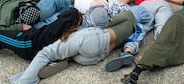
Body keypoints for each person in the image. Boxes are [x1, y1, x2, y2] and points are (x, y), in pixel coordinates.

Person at [10, 9, 138, 83]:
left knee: (45, 53)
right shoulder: (129, 24)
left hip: (90, 43)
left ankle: (24, 80)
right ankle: (61, 60)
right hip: (97, 56)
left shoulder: (81, 35)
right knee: (74, 54)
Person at [106, 0, 173, 72]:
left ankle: (128, 51)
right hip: (161, 4)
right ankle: (163, 50)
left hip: (144, 7)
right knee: (163, 26)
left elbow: (122, 1)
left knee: (138, 29)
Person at [0, 8, 81, 60]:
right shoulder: (70, 32)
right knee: (5, 39)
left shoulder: (57, 26)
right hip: (35, 46)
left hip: (25, 44)